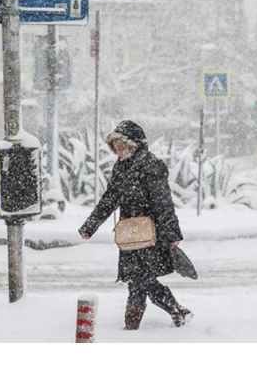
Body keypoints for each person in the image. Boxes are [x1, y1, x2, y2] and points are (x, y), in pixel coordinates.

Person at [78, 120, 193, 330]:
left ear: (134, 144)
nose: (118, 148)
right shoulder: (120, 167)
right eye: (115, 145)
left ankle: (133, 326)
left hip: (151, 232)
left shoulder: (151, 165)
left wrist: (172, 233)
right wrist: (90, 226)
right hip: (130, 233)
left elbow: (163, 202)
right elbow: (109, 199)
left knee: (140, 279)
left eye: (122, 144)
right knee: (139, 279)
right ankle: (174, 312)